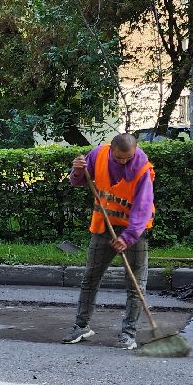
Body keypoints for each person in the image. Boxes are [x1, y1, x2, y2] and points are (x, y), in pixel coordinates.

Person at [62, 133, 156, 351]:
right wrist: (77, 170)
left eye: (128, 158)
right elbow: (79, 180)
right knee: (90, 278)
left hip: (134, 232)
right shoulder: (98, 154)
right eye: (119, 158)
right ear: (111, 149)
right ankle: (81, 326)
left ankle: (128, 333)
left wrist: (128, 237)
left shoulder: (142, 169)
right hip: (103, 228)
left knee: (135, 285)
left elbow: (143, 208)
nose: (124, 162)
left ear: (135, 151)